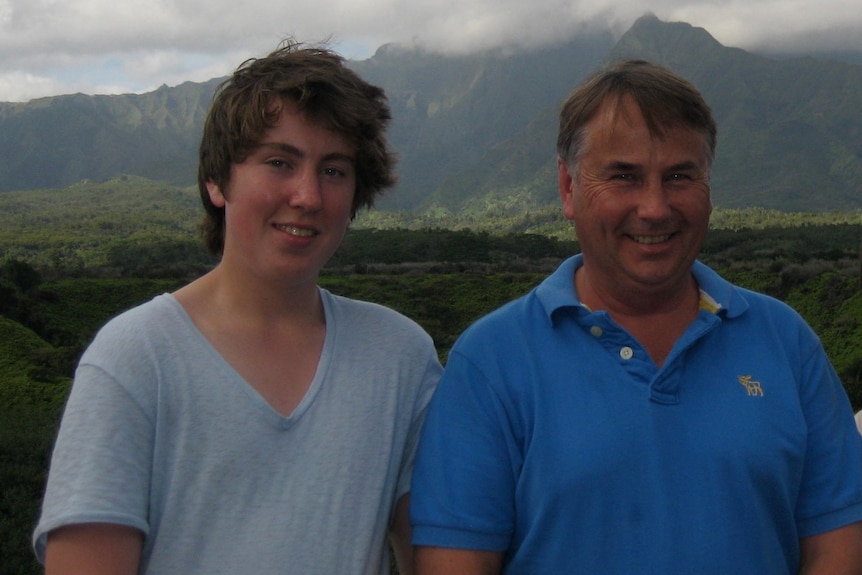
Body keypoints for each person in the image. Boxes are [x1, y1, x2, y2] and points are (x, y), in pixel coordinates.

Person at [409, 60, 862, 574]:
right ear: (567, 187)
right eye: (624, 176)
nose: (654, 207)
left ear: (708, 185)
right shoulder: (491, 362)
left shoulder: (787, 343)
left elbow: (837, 545)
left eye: (679, 177)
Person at [33, 41, 441, 574]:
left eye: (335, 170)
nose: (308, 196)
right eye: (279, 162)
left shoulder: (399, 357)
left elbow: (434, 550)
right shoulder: (136, 358)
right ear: (218, 181)